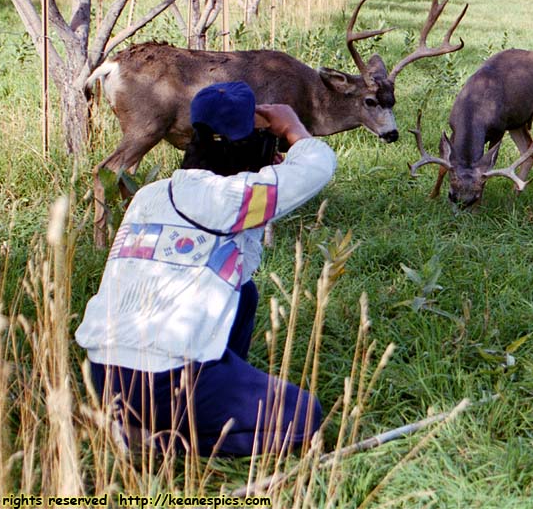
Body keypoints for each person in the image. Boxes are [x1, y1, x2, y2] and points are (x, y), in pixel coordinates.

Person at [75, 81, 337, 456]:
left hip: (105, 375)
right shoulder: (231, 197)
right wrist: (292, 128)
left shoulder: (150, 195)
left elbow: (239, 267)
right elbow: (318, 165)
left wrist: (257, 168)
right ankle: (168, 442)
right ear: (250, 144)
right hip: (167, 380)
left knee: (244, 293)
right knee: (303, 417)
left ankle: (138, 420)